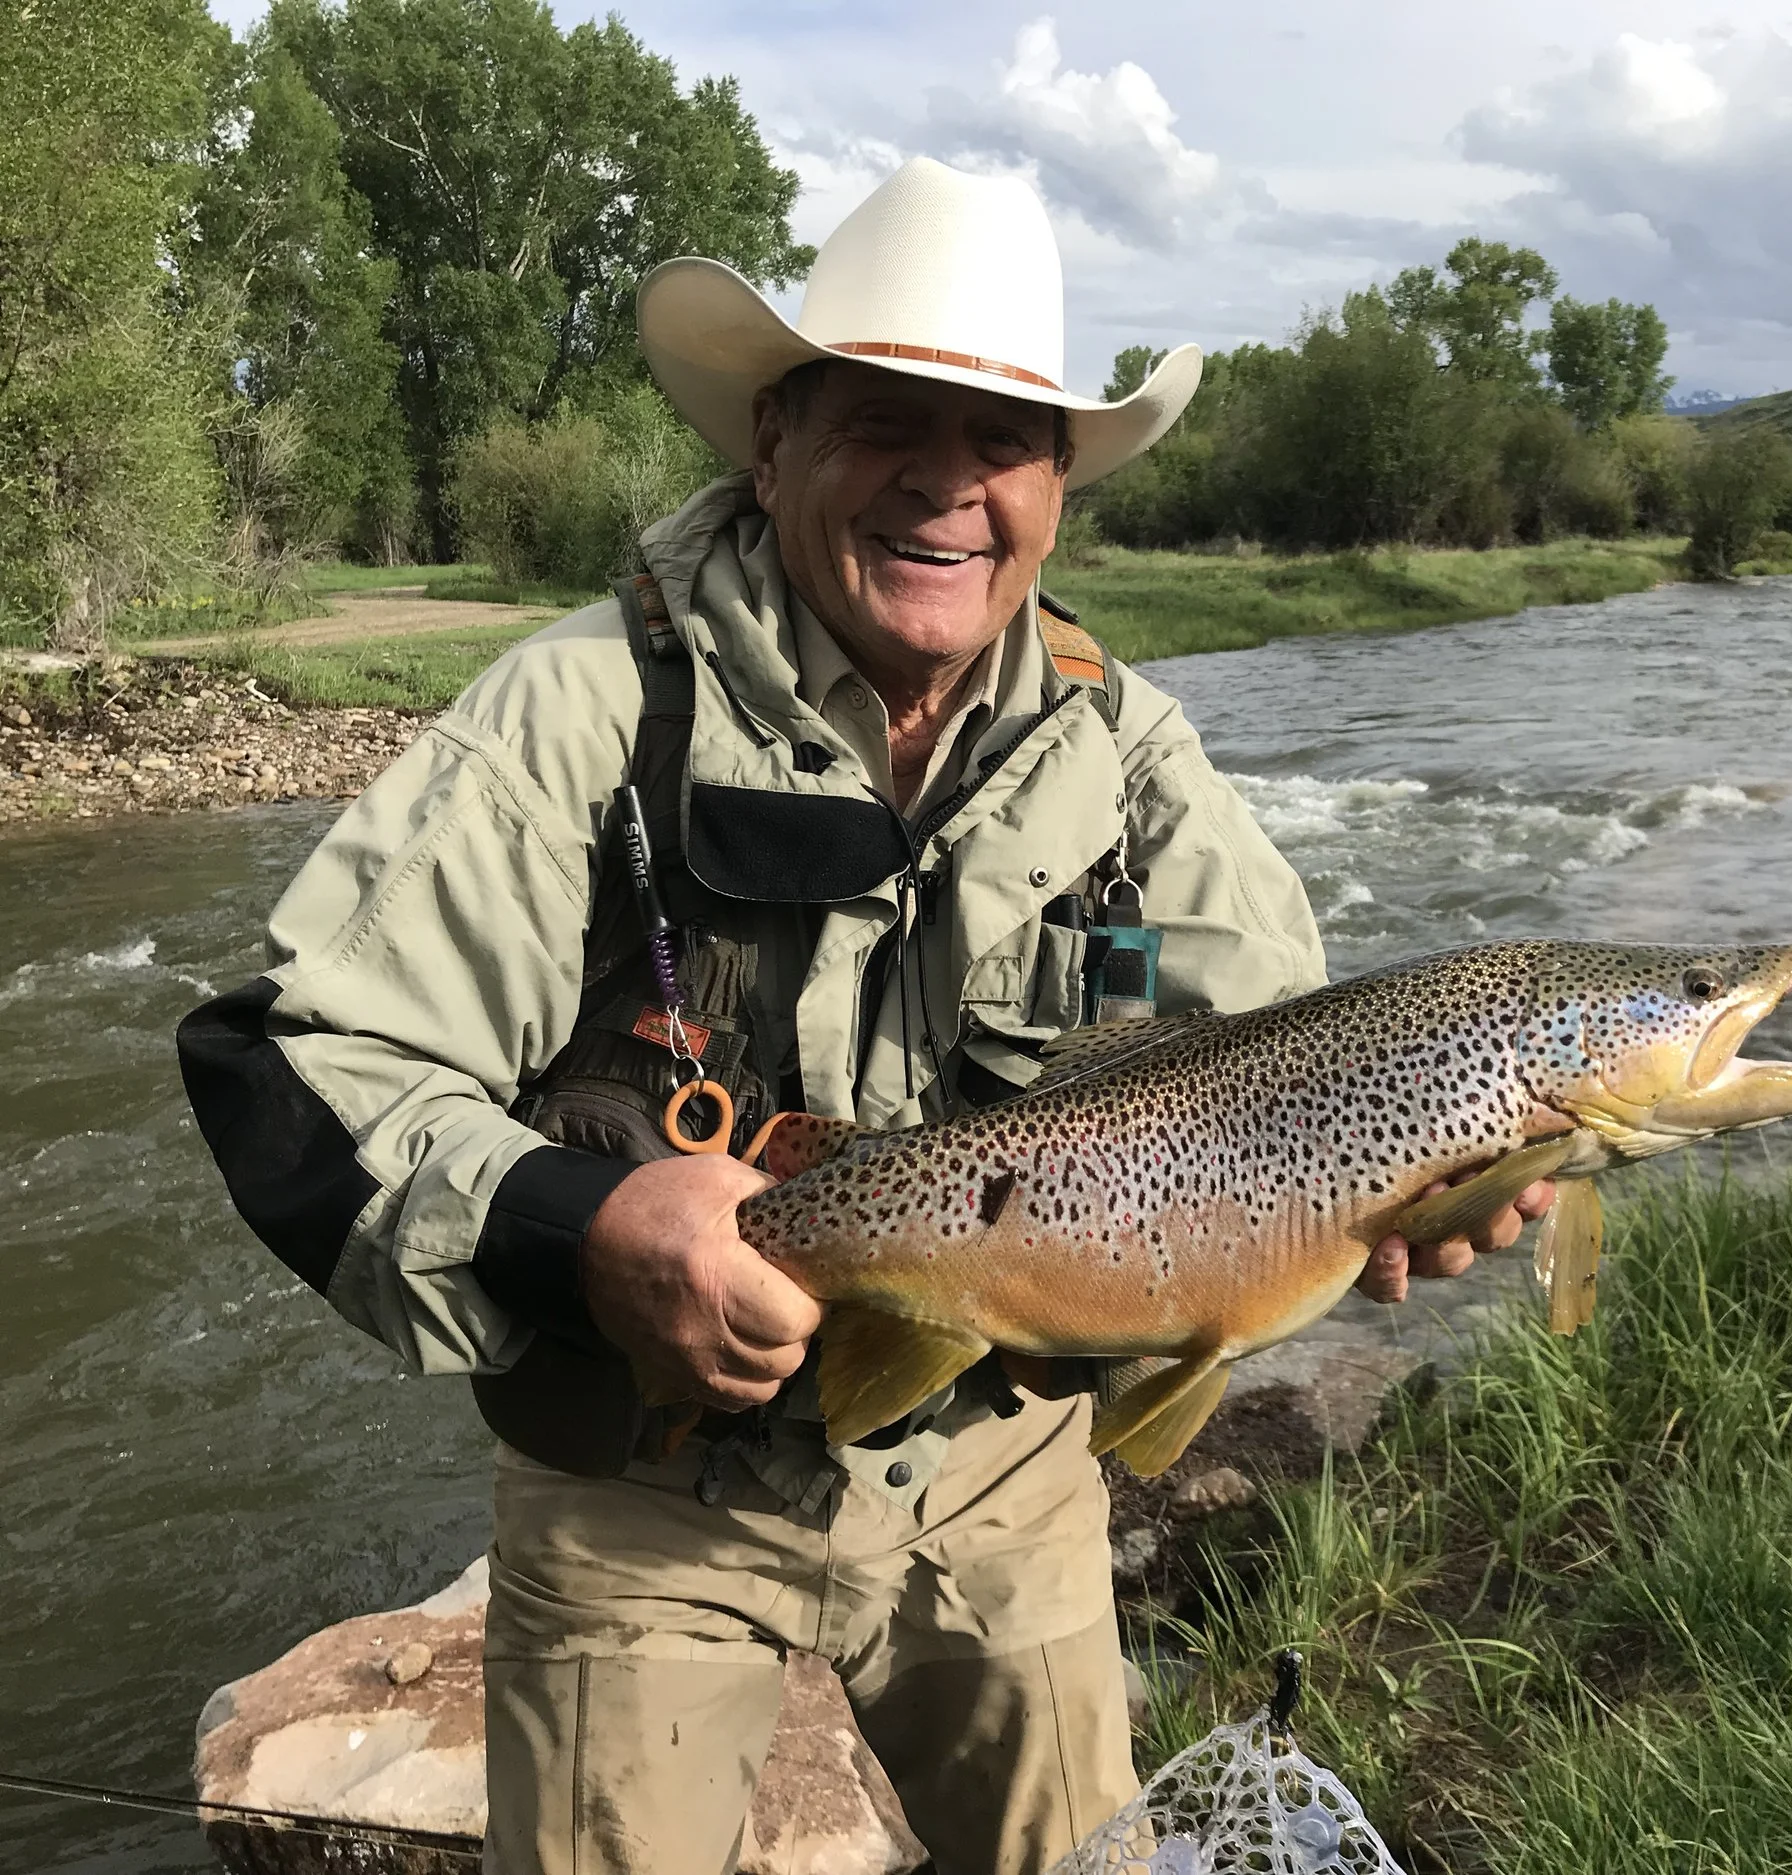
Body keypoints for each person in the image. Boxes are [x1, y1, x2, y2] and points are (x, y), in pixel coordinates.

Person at [177, 156, 1550, 1875]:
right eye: (888, 420)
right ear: (774, 442)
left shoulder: (1127, 754)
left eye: (1005, 441)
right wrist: (582, 1226)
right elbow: (300, 1062)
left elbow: (1288, 1071)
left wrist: (1406, 1184)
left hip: (1005, 1478)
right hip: (646, 1501)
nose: (948, 484)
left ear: (1057, 488)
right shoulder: (580, 715)